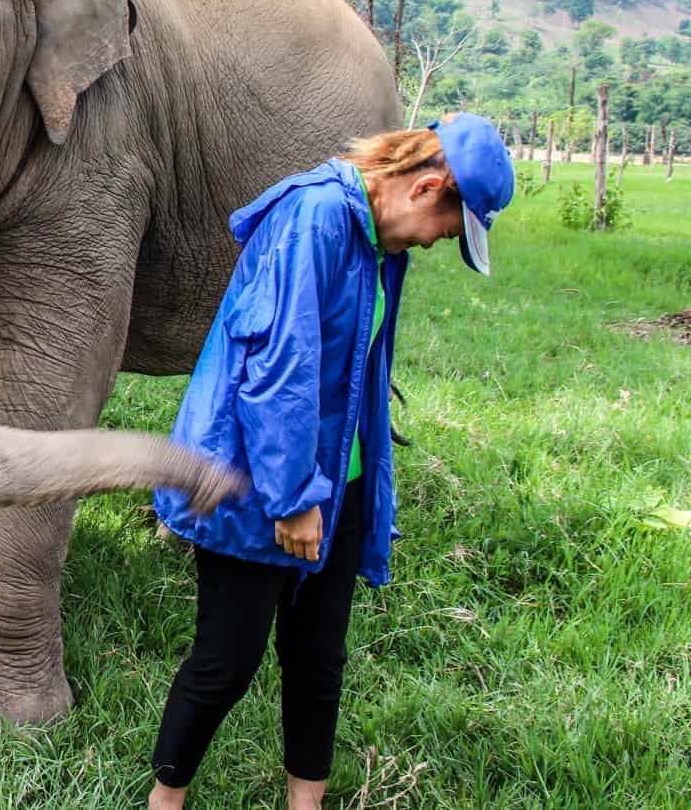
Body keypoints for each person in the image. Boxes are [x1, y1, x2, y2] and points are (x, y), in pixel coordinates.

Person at [147, 114, 514, 810]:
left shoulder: (379, 248)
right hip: (257, 482)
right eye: (448, 226)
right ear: (428, 186)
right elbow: (278, 370)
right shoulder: (315, 218)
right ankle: (166, 800)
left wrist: (350, 494)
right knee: (226, 661)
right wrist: (294, 500)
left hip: (335, 489)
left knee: (319, 660)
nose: (438, 241)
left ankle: (305, 803)